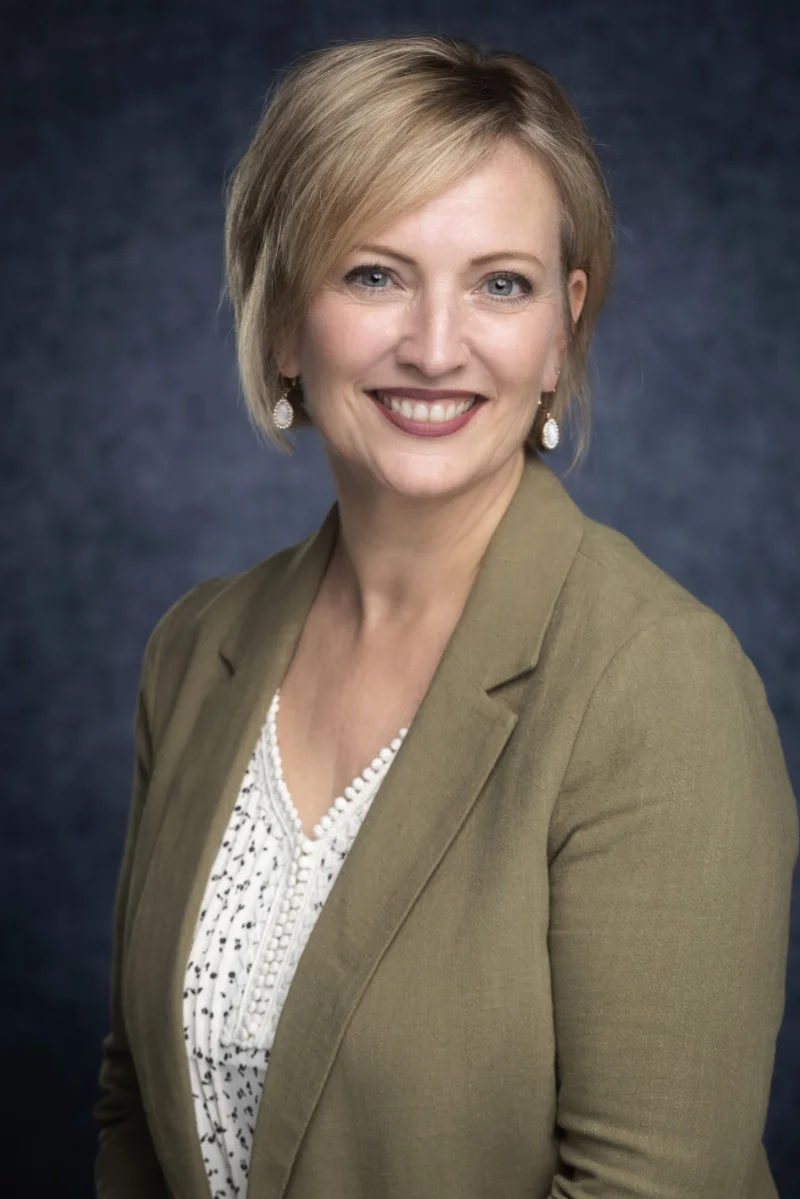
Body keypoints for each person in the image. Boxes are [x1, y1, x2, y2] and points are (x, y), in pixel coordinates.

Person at [93, 33, 798, 1199]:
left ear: (560, 326)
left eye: (499, 282)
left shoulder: (655, 680)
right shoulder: (194, 650)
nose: (433, 345)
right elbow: (136, 1106)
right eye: (372, 273)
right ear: (282, 321)